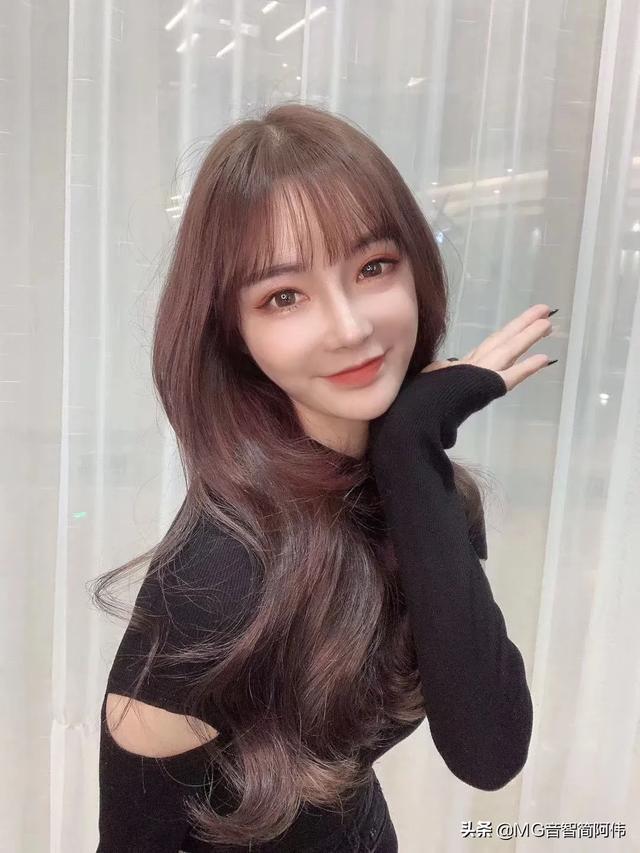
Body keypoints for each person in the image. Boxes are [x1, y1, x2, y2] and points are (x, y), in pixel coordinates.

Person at [90, 102, 546, 852]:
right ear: (233, 333)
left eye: (373, 267)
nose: (350, 327)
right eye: (284, 296)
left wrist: (409, 449)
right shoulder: (214, 585)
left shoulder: (419, 490)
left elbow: (489, 747)